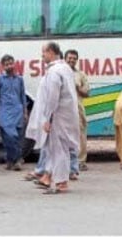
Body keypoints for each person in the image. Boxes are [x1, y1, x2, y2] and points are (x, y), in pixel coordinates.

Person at [34, 42, 79, 194]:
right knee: (56, 148)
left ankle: (61, 183)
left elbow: (52, 97)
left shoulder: (54, 72)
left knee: (58, 149)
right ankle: (47, 177)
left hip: (57, 116)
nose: (42, 56)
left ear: (52, 52)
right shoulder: (65, 68)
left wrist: (47, 117)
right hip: (66, 115)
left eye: (44, 52)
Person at [0, 54, 27, 171]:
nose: (9, 66)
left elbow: (23, 96)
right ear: (2, 66)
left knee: (17, 138)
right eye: (6, 64)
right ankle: (17, 159)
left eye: (11, 63)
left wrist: (25, 112)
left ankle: (11, 160)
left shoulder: (20, 79)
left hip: (18, 111)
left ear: (14, 64)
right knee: (9, 137)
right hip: (4, 112)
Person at [65, 49, 90, 172]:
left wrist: (77, 87)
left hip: (77, 108)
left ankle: (81, 161)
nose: (72, 60)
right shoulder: (60, 72)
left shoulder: (80, 75)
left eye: (74, 58)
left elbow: (86, 93)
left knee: (80, 135)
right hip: (63, 109)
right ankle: (65, 162)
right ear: (65, 58)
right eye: (69, 58)